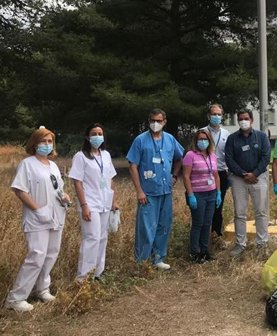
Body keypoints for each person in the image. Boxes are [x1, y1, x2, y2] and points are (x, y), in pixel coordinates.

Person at [6, 127, 71, 312]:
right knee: (36, 256)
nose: (47, 145)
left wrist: (64, 196)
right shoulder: (27, 164)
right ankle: (16, 298)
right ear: (34, 144)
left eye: (50, 141)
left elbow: (56, 188)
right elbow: (19, 189)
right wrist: (37, 209)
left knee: (51, 254)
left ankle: (42, 289)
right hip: (37, 217)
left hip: (56, 215)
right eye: (43, 141)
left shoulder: (53, 166)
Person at [127, 108, 184, 270]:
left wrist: (174, 175)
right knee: (146, 227)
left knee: (163, 225)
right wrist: (139, 190)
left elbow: (180, 157)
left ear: (164, 122)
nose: (155, 124)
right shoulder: (140, 140)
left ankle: (158, 258)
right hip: (148, 192)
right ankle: (142, 261)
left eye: (159, 121)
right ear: (148, 121)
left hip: (165, 190)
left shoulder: (170, 139)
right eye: (153, 120)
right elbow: (133, 165)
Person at [69, 123, 119, 282]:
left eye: (100, 133)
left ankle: (98, 273)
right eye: (94, 133)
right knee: (92, 238)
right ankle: (83, 277)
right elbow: (77, 182)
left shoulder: (106, 155)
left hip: (105, 202)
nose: (97, 136)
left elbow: (110, 179)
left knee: (103, 238)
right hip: (90, 203)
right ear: (87, 137)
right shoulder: (81, 156)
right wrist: (84, 206)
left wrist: (113, 201)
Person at [224, 109, 271, 257]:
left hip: (259, 177)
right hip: (239, 179)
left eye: (246, 118)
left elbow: (266, 156)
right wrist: (243, 174)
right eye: (240, 119)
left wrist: (255, 173)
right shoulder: (232, 139)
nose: (243, 121)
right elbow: (229, 159)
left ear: (252, 120)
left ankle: (262, 244)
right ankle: (240, 244)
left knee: (261, 212)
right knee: (240, 213)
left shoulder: (262, 137)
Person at [182, 129, 222, 263]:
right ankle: (195, 253)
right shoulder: (190, 155)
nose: (203, 142)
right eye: (200, 139)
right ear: (196, 140)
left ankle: (204, 251)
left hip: (211, 193)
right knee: (198, 223)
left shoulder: (212, 155)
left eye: (205, 139)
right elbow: (186, 176)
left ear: (209, 141)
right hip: (197, 194)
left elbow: (216, 175)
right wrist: (191, 195)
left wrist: (218, 192)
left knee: (207, 223)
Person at [201, 104, 230, 242]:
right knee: (205, 206)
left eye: (219, 114)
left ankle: (216, 235)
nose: (216, 117)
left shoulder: (226, 134)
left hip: (221, 173)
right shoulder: (202, 132)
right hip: (204, 173)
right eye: (214, 114)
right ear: (208, 116)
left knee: (218, 205)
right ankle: (203, 236)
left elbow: (229, 155)